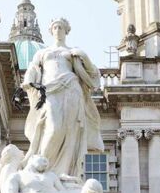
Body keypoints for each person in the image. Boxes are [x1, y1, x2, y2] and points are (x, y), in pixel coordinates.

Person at [21, 18, 104, 180]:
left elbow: (93, 75)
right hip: (50, 90)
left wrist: (84, 57)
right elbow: (32, 69)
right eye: (55, 27)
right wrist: (27, 83)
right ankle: (39, 169)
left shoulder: (73, 51)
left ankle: (64, 173)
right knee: (53, 128)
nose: (58, 30)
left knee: (70, 130)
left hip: (72, 89)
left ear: (66, 31)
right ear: (51, 31)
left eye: (61, 27)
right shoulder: (42, 52)